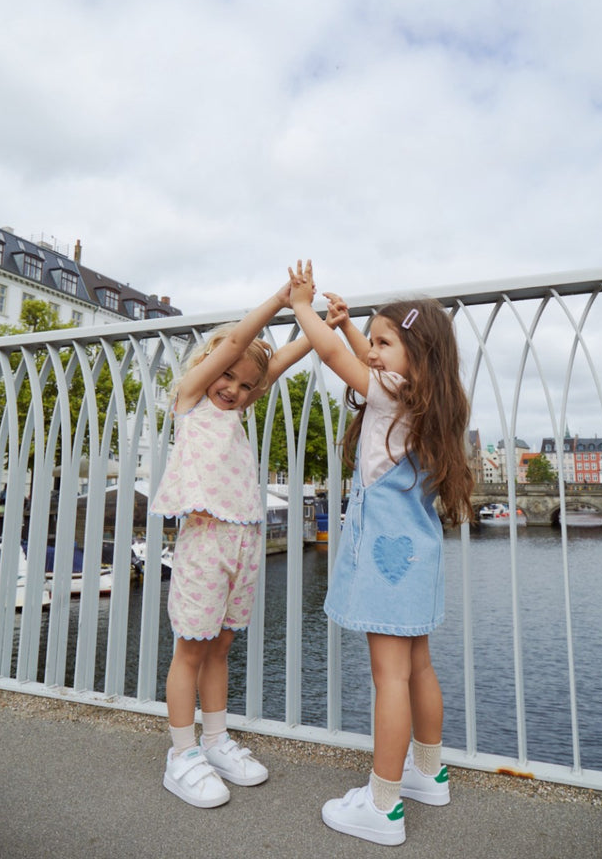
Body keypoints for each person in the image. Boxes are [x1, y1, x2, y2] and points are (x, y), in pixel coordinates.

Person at [290, 261, 474, 847]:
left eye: (383, 342)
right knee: (418, 666)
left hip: (388, 555)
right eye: (370, 341)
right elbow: (365, 359)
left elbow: (333, 357)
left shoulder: (391, 392)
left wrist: (302, 308)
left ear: (416, 356)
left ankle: (383, 805)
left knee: (388, 677)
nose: (371, 352)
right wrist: (353, 328)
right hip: (420, 552)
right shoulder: (427, 401)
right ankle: (428, 772)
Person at [150, 279, 318, 808]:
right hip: (205, 542)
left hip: (243, 540)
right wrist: (280, 302)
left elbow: (277, 363)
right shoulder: (190, 401)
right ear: (209, 364)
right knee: (190, 650)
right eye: (227, 375)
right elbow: (237, 344)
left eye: (246, 386)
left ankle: (216, 740)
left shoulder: (236, 412)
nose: (234, 389)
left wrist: (319, 324)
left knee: (221, 646)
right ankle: (182, 754)